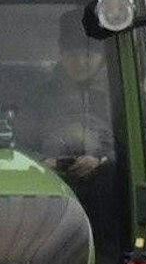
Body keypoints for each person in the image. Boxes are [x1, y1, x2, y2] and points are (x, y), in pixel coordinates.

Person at [26, 10, 115, 180]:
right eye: (73, 55)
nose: (80, 62)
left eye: (88, 55)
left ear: (102, 57)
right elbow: (21, 143)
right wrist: (41, 161)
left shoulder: (120, 95)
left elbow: (138, 147)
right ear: (61, 55)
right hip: (47, 182)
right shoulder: (39, 96)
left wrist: (102, 160)